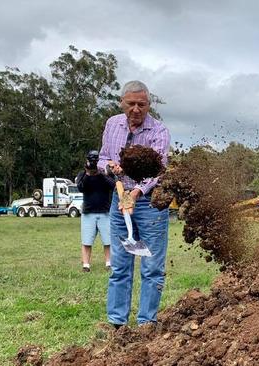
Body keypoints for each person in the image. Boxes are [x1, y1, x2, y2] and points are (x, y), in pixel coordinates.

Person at [97, 80, 170, 327]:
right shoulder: (112, 124)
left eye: (142, 104)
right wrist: (108, 167)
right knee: (120, 266)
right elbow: (103, 158)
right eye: (131, 104)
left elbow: (159, 170)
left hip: (150, 205)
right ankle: (117, 323)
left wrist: (137, 192)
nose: (136, 109)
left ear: (149, 105)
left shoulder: (158, 131)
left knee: (151, 267)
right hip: (120, 201)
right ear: (122, 103)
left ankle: (146, 324)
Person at [75, 150, 115, 272]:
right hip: (88, 212)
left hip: (105, 212)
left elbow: (113, 185)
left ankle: (109, 263)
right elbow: (81, 188)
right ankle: (86, 265)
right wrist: (88, 173)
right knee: (86, 240)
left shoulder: (106, 174)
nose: (94, 164)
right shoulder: (83, 174)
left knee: (108, 240)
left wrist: (100, 173)